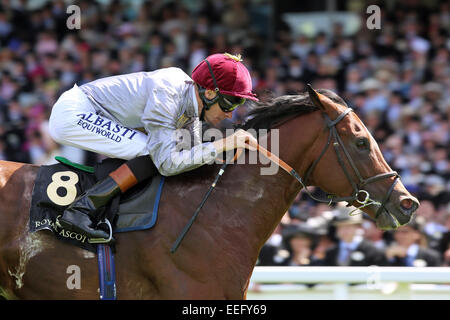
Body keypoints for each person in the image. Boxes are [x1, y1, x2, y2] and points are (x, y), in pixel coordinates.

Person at [48, 53, 259, 241]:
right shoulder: (168, 95)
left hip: (91, 111)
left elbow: (192, 153)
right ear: (210, 93)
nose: (230, 114)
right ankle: (81, 210)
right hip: (74, 114)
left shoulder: (189, 98)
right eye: (230, 103)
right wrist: (224, 143)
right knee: (153, 153)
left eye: (237, 105)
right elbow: (167, 163)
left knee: (163, 152)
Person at [323, 207, 387, 266]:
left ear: (357, 227)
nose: (344, 231)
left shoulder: (372, 250)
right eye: (340, 227)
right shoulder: (331, 252)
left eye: (348, 227)